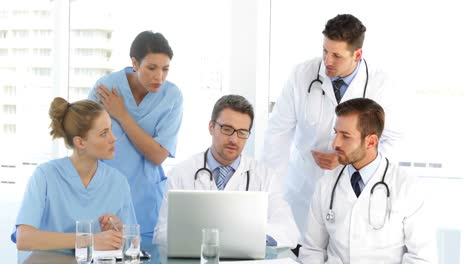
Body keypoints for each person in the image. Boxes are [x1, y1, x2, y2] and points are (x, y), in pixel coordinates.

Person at [262, 14, 403, 244]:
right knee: (304, 252)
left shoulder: (381, 85)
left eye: (337, 55)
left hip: (354, 194)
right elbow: (277, 134)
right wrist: (271, 192)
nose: (327, 61)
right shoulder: (302, 75)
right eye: (325, 51)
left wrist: (349, 157)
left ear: (357, 55)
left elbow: (394, 141)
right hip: (303, 191)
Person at [299, 98, 436, 263]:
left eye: (346, 136)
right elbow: (312, 249)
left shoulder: (407, 187)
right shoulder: (326, 185)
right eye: (336, 133)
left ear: (371, 141)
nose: (335, 143)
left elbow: (422, 258)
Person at [153, 95, 299, 248]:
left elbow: (288, 232)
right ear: (211, 127)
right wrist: (210, 239)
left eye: (242, 132)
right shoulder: (181, 173)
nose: (234, 140)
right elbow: (161, 233)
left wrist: (248, 237)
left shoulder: (265, 177)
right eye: (227, 129)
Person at [88, 31, 183, 241]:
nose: (159, 76)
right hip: (105, 195)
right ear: (134, 62)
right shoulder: (105, 88)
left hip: (146, 200)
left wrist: (122, 115)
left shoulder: (172, 97)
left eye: (165, 69)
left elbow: (158, 156)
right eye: (151, 68)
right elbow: (87, 146)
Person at [11, 97, 136, 251]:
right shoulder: (45, 176)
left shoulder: (118, 182)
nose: (113, 138)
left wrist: (117, 232)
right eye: (104, 133)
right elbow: (24, 239)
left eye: (111, 129)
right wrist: (88, 240)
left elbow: (130, 245)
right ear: (80, 142)